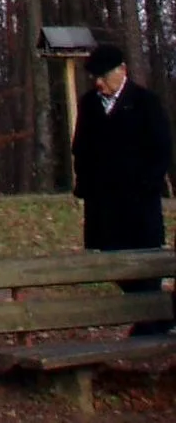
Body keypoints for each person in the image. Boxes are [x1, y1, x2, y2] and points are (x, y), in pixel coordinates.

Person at [72, 42, 173, 335]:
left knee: (144, 265)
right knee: (114, 263)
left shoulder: (145, 102)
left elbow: (161, 149)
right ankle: (154, 320)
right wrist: (85, 184)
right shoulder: (89, 104)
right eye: (96, 78)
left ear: (122, 72)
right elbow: (81, 147)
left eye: (104, 76)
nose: (99, 83)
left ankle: (152, 323)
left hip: (139, 203)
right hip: (103, 203)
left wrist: (147, 184)